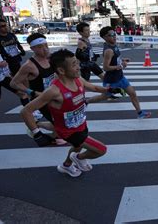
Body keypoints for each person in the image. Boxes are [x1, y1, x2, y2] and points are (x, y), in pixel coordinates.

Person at [20, 49, 122, 177]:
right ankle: (79, 158)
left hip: (81, 123)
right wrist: (37, 135)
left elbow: (94, 88)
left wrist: (110, 89)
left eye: (77, 63)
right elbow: (26, 111)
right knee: (101, 150)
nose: (78, 67)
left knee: (77, 146)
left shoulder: (78, 79)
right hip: (68, 131)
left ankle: (66, 166)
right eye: (74, 64)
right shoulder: (54, 91)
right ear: (61, 70)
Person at [99, 26, 151, 118]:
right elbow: (105, 67)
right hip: (112, 80)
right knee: (105, 96)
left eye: (114, 34)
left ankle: (140, 113)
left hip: (120, 77)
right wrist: (121, 66)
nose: (114, 36)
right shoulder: (108, 50)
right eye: (111, 35)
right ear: (104, 37)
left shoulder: (114, 45)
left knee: (132, 93)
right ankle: (87, 101)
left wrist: (122, 60)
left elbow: (115, 59)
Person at [0, 18, 29, 106]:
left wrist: (21, 50)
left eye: (6, 25)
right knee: (19, 87)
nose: (5, 27)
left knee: (24, 84)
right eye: (2, 26)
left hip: (16, 61)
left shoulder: (11, 35)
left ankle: (28, 103)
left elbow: (17, 43)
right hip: (6, 65)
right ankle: (28, 107)